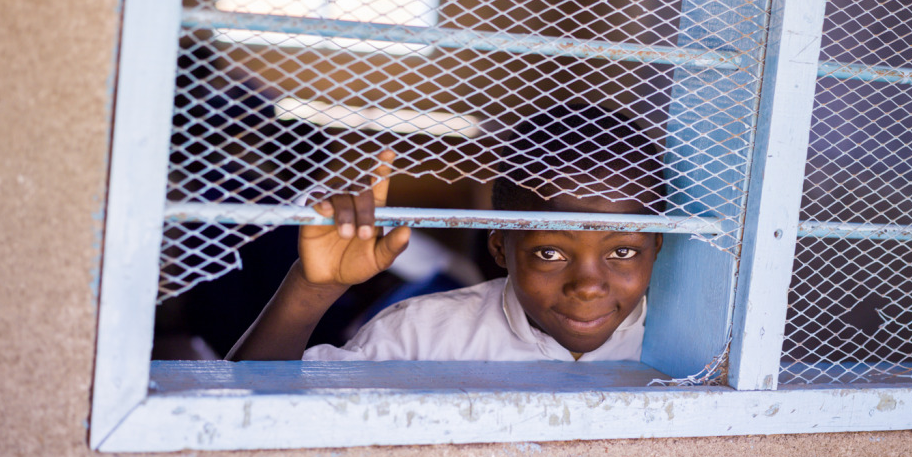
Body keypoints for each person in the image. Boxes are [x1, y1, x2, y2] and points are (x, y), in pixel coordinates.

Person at [226, 104, 665, 362]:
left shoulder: (686, 343)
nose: (588, 286)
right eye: (549, 253)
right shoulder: (421, 335)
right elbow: (245, 413)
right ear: (499, 246)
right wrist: (312, 288)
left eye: (623, 251)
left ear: (656, 246)